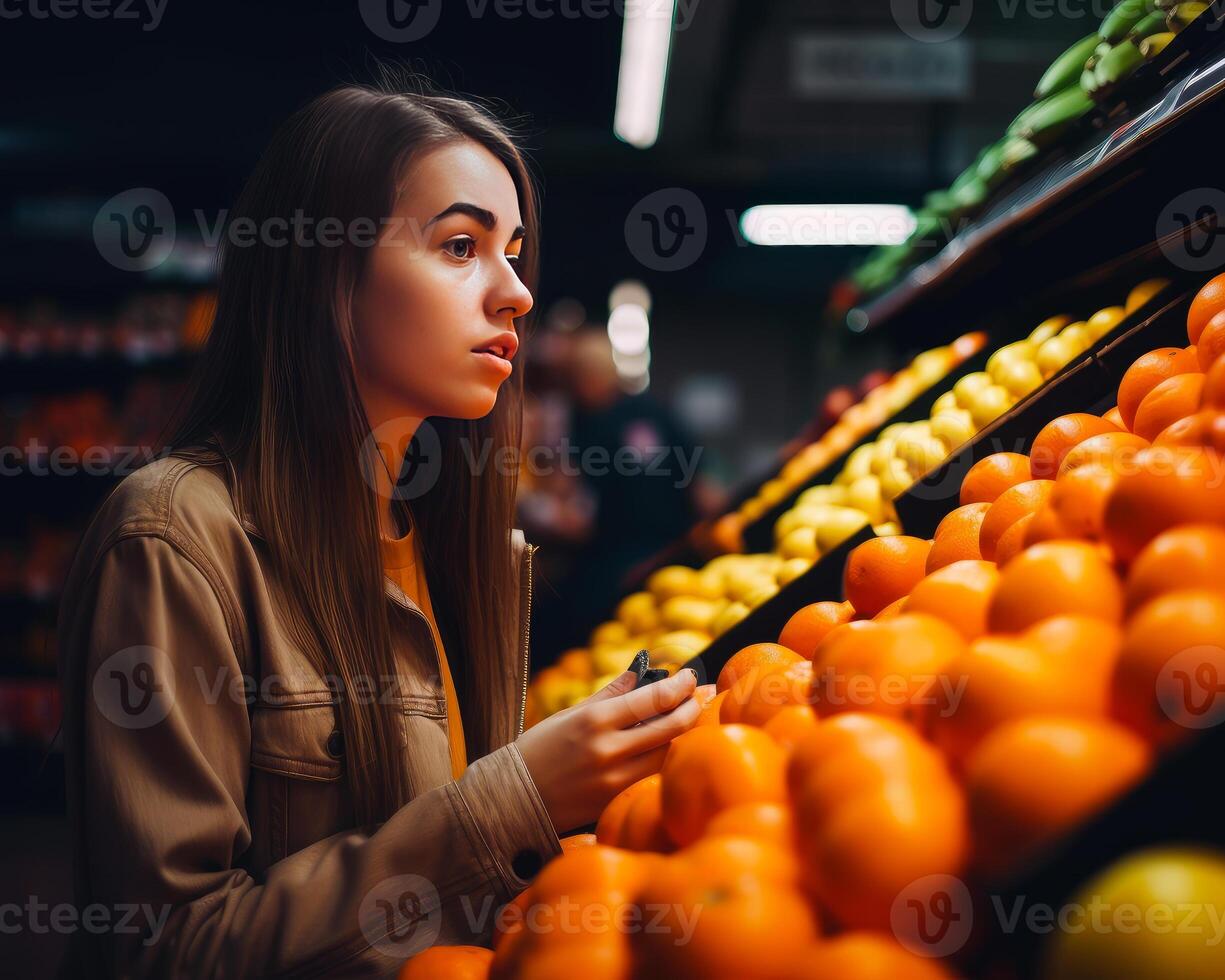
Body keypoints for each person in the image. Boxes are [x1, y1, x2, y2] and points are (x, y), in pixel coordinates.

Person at [55, 79, 703, 978]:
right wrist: (514, 797)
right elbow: (166, 949)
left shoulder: (446, 537)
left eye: (514, 253)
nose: (515, 293)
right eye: (462, 246)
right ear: (325, 272)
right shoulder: (175, 539)